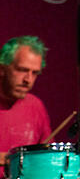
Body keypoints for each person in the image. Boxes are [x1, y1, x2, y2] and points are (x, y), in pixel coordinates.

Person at [0, 36, 52, 172]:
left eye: (35, 73)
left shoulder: (35, 106)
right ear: (2, 68)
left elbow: (46, 158)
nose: (28, 79)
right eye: (22, 70)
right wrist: (9, 159)